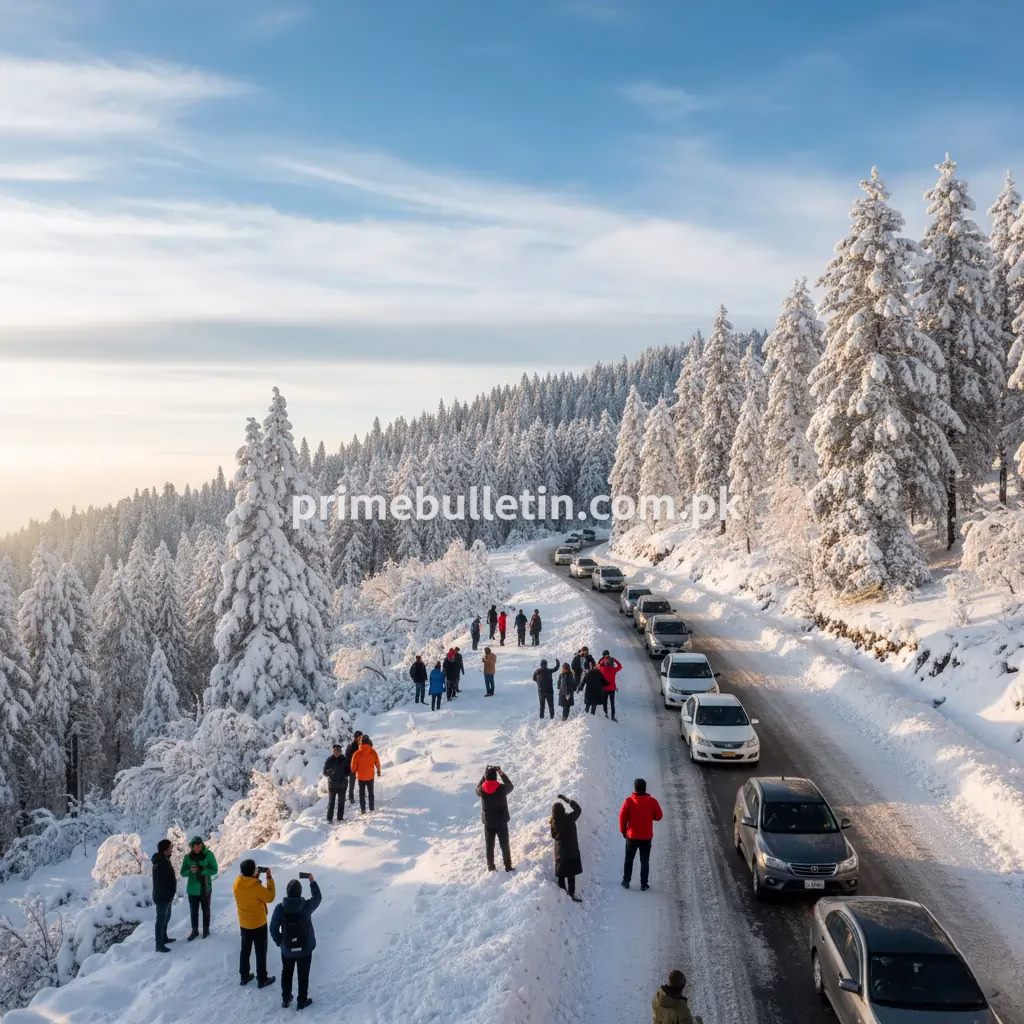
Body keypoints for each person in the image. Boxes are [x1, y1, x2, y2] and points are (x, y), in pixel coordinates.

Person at [270, 874, 322, 1010]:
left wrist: (280, 942)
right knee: (303, 975)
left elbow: (273, 927)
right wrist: (312, 881)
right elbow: (318, 898)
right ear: (300, 892)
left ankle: (286, 999)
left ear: (287, 892)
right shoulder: (306, 906)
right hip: (305, 948)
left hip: (287, 949)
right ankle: (302, 1001)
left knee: (286, 973)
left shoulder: (280, 908)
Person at [233, 860, 276, 989]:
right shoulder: (256, 887)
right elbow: (270, 897)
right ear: (252, 872)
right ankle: (262, 979)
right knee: (260, 951)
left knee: (245, 950)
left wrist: (253, 877)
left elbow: (248, 891)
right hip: (258, 923)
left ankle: (244, 976)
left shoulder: (237, 883)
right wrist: (269, 879)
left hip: (244, 923)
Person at [620, 778, 663, 891]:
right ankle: (644, 884)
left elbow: (622, 818)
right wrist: (651, 816)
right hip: (646, 836)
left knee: (629, 859)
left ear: (635, 788)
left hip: (631, 836)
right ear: (645, 788)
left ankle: (626, 881)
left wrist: (623, 831)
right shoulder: (652, 801)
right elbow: (659, 816)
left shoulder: (628, 801)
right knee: (644, 861)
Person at [475, 765, 515, 872]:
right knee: (504, 844)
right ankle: (508, 866)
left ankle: (491, 867)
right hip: (501, 821)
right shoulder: (501, 788)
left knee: (489, 846)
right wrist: (500, 772)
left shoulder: (482, 790)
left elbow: (476, 789)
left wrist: (484, 777)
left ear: (486, 777)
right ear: (495, 777)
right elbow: (510, 786)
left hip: (488, 823)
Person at [181, 835, 218, 939]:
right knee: (194, 911)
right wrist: (190, 870)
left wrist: (203, 870)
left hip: (205, 888)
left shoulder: (209, 855)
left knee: (206, 910)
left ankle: (206, 930)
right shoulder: (187, 857)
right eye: (194, 846)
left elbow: (214, 869)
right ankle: (195, 931)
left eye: (198, 846)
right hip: (192, 889)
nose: (196, 848)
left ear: (202, 844)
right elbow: (182, 873)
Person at [550, 794, 583, 901]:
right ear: (563, 810)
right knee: (571, 876)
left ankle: (563, 896)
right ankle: (571, 895)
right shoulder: (570, 818)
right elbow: (578, 810)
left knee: (561, 876)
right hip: (571, 853)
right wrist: (566, 800)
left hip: (560, 853)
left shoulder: (553, 822)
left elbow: (553, 836)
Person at [152, 838, 176, 953]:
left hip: (166, 896)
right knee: (161, 920)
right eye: (170, 848)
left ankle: (164, 938)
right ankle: (159, 944)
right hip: (163, 897)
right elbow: (161, 882)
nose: (172, 850)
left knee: (166, 918)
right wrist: (167, 895)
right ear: (165, 850)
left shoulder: (164, 860)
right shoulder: (161, 863)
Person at [350, 734, 381, 813]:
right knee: (371, 793)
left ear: (361, 742)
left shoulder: (356, 754)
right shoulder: (373, 752)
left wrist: (354, 771)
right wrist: (378, 771)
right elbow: (377, 762)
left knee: (362, 794)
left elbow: (353, 767)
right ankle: (371, 808)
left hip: (361, 777)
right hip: (370, 776)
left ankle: (363, 809)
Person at [322, 743, 349, 823]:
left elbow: (349, 771)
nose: (336, 752)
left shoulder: (345, 760)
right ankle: (329, 819)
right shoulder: (329, 760)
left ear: (341, 751)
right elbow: (324, 772)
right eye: (335, 750)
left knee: (341, 803)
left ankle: (340, 818)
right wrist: (330, 772)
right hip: (332, 785)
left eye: (338, 750)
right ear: (333, 751)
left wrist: (345, 776)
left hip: (342, 785)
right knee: (331, 803)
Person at [598, 651, 622, 721]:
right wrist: (614, 659)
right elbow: (620, 666)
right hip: (612, 689)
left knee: (605, 702)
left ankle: (606, 713)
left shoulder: (602, 669)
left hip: (605, 688)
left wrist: (603, 659)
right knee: (612, 703)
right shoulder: (613, 670)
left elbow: (598, 665)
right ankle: (613, 716)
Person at [344, 731, 363, 804]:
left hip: (359, 766)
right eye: (360, 737)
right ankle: (350, 797)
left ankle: (362, 794)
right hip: (351, 767)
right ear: (356, 738)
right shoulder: (351, 746)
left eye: (361, 737)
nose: (361, 738)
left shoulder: (362, 746)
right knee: (351, 782)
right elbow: (346, 757)